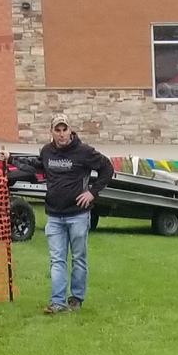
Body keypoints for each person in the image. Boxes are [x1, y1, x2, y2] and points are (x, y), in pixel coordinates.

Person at [36, 116, 112, 314]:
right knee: (57, 259)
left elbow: (107, 168)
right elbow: (35, 167)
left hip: (77, 215)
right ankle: (57, 302)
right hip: (54, 215)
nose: (61, 134)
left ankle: (76, 298)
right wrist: (8, 158)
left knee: (78, 258)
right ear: (51, 131)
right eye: (57, 130)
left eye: (64, 129)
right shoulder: (46, 152)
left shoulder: (84, 152)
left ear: (70, 131)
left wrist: (92, 192)